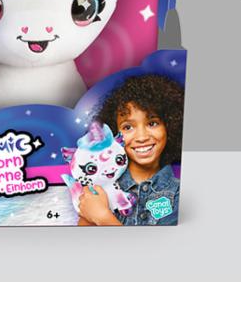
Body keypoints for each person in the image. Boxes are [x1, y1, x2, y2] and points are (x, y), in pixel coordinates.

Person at [77, 72, 183, 227]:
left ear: (170, 126)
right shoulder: (101, 185)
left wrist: (103, 217)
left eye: (152, 123)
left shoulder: (179, 194)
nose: (141, 137)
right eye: (128, 127)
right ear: (113, 135)